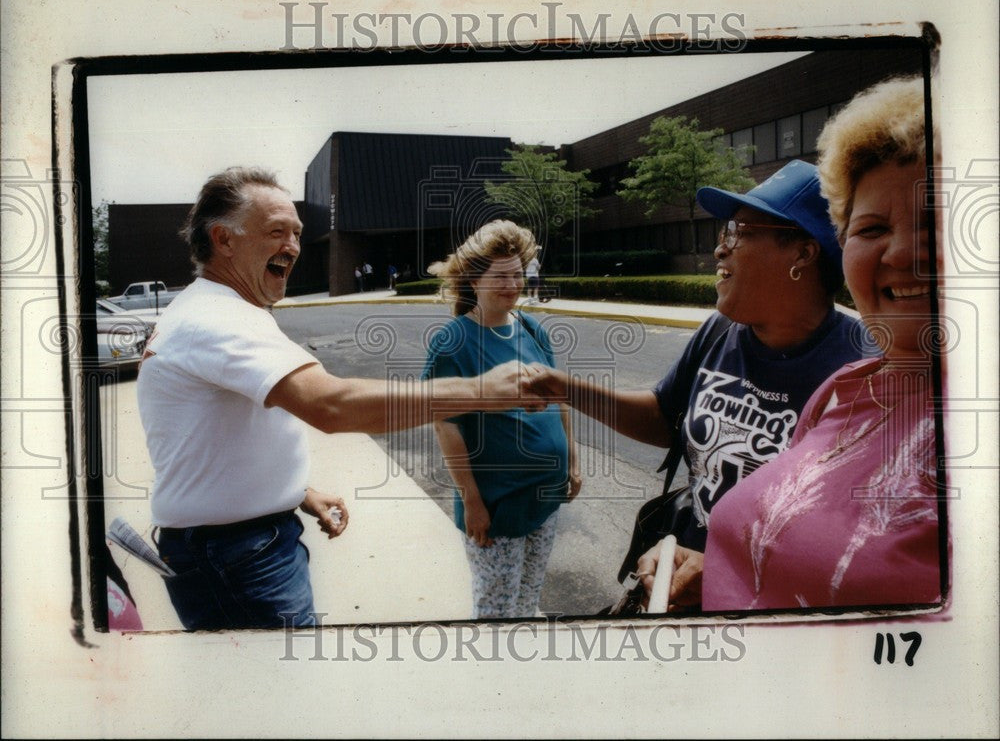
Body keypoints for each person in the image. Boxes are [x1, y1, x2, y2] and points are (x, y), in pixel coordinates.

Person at [137, 167, 547, 630]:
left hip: (237, 546)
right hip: (237, 556)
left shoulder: (215, 309)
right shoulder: (217, 318)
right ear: (224, 240)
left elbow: (207, 437)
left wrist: (296, 492)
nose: (292, 246)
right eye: (276, 232)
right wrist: (483, 391)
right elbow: (332, 404)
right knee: (282, 692)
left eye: (296, 233)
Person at [529, 159, 873, 609]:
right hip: (672, 580)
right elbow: (664, 417)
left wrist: (729, 569)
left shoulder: (862, 369)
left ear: (802, 253)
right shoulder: (719, 331)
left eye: (737, 231)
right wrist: (565, 388)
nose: (720, 249)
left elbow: (856, 538)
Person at [689, 75, 942, 610]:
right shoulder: (843, 390)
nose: (900, 254)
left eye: (934, 221)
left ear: (804, 255)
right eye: (871, 229)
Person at [423, 220, 580, 619]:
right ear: (473, 279)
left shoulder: (531, 328)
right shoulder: (453, 342)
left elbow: (559, 399)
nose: (512, 285)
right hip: (497, 504)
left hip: (545, 495)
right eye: (500, 277)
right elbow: (446, 426)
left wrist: (573, 461)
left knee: (529, 598)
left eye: (517, 274)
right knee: (497, 610)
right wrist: (471, 501)